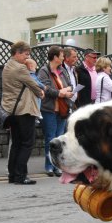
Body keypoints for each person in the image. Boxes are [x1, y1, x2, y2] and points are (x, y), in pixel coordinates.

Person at [1, 41, 45, 185]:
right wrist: (40, 92)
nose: (27, 58)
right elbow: (33, 84)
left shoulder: (8, 65)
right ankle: (21, 176)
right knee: (27, 143)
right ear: (17, 53)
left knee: (17, 143)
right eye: (26, 55)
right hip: (24, 110)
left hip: (11, 109)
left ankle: (13, 175)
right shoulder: (20, 68)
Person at [37, 46, 74, 176]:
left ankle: (58, 166)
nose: (63, 58)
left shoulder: (62, 70)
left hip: (63, 108)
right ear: (55, 57)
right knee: (50, 139)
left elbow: (70, 85)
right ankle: (49, 166)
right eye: (62, 55)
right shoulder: (43, 70)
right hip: (49, 109)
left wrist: (67, 91)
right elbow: (45, 88)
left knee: (60, 140)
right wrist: (61, 93)